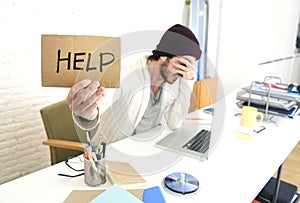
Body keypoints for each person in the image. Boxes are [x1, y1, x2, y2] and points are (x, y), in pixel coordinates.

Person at [66, 24, 202, 144]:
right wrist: (88, 114)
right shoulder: (127, 75)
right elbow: (101, 103)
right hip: (111, 155)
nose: (185, 72)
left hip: (146, 148)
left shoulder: (172, 81)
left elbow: (175, 123)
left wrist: (187, 83)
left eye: (190, 66)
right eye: (183, 64)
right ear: (164, 55)